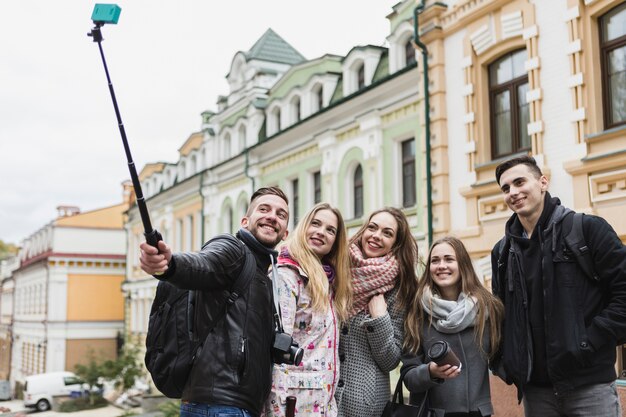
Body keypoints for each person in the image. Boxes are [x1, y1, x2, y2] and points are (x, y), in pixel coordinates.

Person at [490, 155, 626, 416]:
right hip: (536, 392)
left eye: (520, 182)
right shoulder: (502, 252)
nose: (513, 192)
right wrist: (504, 361)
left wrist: (588, 342)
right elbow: (501, 314)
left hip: (590, 386)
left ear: (543, 182)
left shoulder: (587, 230)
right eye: (506, 188)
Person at [139, 186, 290, 417]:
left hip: (235, 407)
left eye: (281, 214)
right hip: (218, 406)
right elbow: (203, 264)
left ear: (285, 233)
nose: (272, 216)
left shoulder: (266, 275)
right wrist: (170, 264)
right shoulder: (233, 250)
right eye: (264, 209)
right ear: (245, 221)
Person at [265, 203, 351, 417]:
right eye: (315, 223)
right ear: (304, 227)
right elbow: (276, 349)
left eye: (330, 230)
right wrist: (277, 410)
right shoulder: (288, 276)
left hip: (322, 405)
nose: (321, 232)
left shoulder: (328, 280)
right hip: (291, 406)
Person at [402, 236, 504, 417]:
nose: (441, 265)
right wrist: (430, 372)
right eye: (435, 261)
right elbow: (409, 377)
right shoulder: (417, 312)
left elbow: (503, 359)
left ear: (463, 264)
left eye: (449, 259)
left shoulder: (488, 309)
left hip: (477, 413)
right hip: (432, 413)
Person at [335, 207, 419, 417]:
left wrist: (380, 319)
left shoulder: (399, 290)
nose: (376, 236)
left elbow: (390, 361)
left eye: (387, 233)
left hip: (363, 405)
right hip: (323, 396)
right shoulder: (337, 271)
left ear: (396, 244)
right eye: (372, 228)